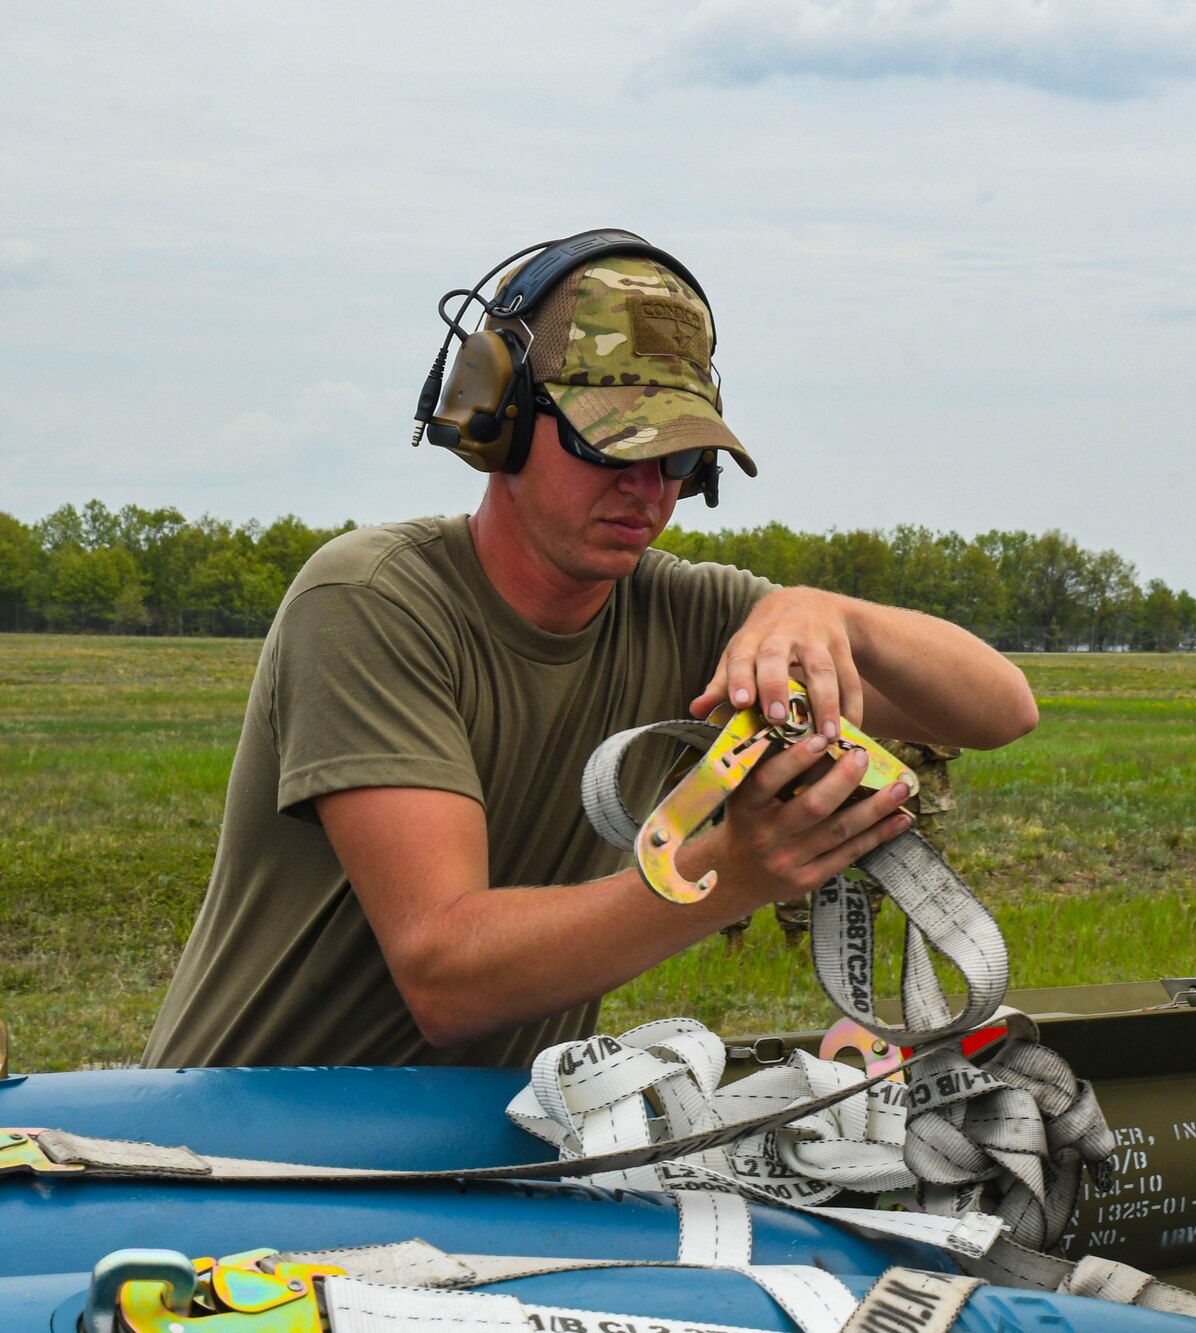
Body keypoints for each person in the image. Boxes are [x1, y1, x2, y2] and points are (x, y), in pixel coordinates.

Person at [141, 232, 1038, 1070]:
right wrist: (732, 869)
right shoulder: (372, 601)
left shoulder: (690, 612)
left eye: (677, 458)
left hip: (491, 1149)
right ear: (497, 421)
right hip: (242, 1143)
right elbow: (446, 974)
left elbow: (1000, 708)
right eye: (609, 441)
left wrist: (829, 614)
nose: (645, 490)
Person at [723, 740, 962, 950]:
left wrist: (902, 750)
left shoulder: (935, 707)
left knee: (934, 874)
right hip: (875, 797)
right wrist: (903, 750)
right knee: (867, 875)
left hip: (928, 804)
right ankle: (855, 943)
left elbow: (949, 746)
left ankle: (944, 942)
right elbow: (863, 751)